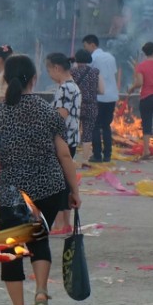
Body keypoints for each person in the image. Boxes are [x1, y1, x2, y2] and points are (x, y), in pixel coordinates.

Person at [0, 55, 80, 305]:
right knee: (39, 238)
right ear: (34, 79)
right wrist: (74, 190)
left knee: (12, 247)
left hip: (13, 192)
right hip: (49, 187)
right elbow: (64, 154)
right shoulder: (48, 112)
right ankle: (42, 293)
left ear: (6, 80)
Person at [46, 53, 82, 233]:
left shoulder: (65, 88)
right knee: (66, 181)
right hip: (71, 138)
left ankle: (60, 223)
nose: (49, 74)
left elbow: (60, 114)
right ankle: (65, 222)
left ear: (56, 68)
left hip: (62, 140)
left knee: (58, 182)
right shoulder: (73, 86)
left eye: (49, 69)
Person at [83, 35, 117, 163]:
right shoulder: (110, 57)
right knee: (106, 126)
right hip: (112, 96)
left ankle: (97, 155)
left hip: (99, 96)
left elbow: (92, 77)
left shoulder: (93, 58)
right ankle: (107, 154)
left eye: (85, 46)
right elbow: (112, 74)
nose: (85, 49)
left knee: (95, 126)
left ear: (92, 45)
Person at [126, 42, 153, 159]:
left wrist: (132, 88)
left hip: (146, 98)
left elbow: (139, 83)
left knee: (147, 125)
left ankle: (146, 151)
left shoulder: (141, 66)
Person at [71, 49, 102, 155]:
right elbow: (102, 90)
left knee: (74, 131)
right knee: (88, 132)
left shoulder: (72, 72)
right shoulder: (95, 71)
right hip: (91, 105)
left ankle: (72, 158)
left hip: (75, 105)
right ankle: (85, 158)